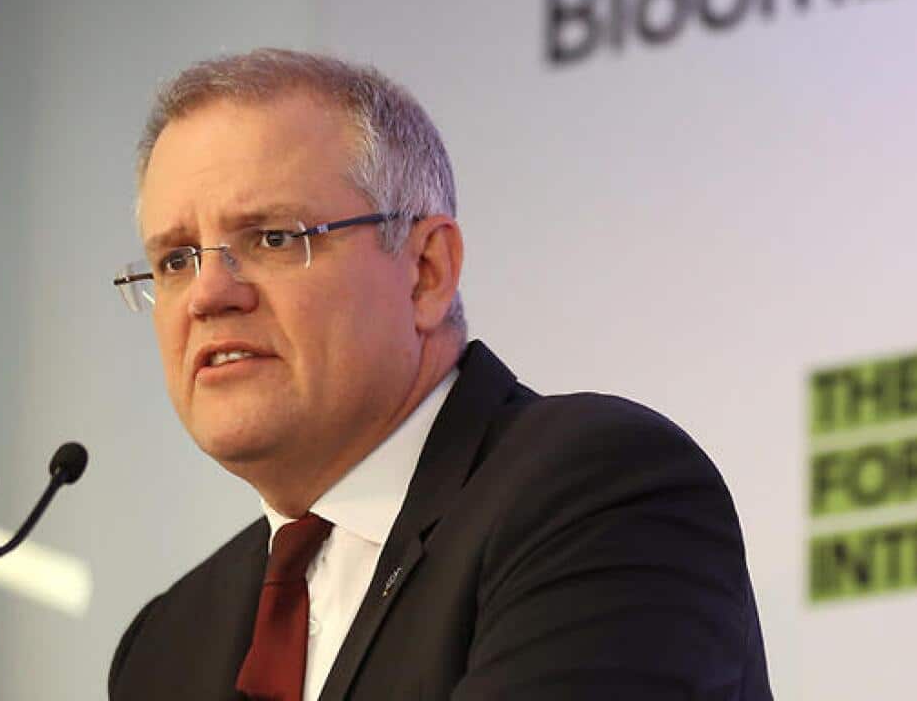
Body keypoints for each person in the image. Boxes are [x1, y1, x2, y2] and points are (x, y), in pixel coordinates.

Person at [108, 48, 771, 701]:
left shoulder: (600, 495)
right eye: (174, 261)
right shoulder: (169, 643)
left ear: (425, 271)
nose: (207, 294)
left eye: (274, 238)